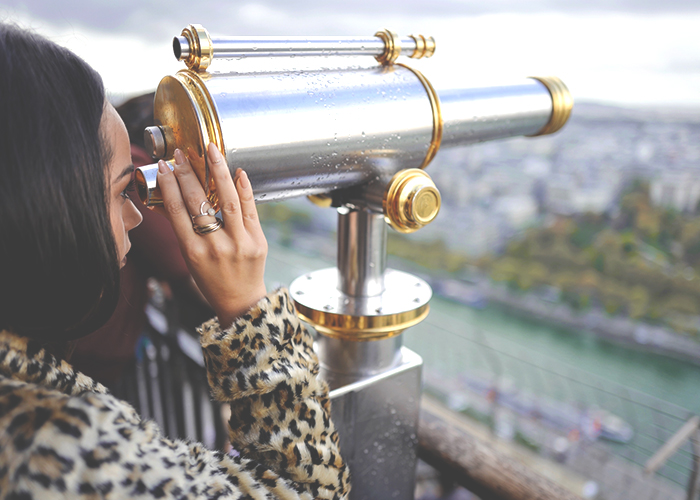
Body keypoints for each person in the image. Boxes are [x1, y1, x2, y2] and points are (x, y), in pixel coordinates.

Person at [0, 23, 350, 500]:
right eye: (122, 190)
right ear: (43, 200)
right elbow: (306, 491)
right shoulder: (60, 445)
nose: (133, 215)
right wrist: (248, 305)